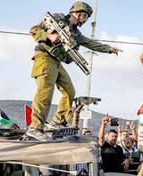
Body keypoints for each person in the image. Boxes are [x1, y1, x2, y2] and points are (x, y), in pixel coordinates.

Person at [27, 1, 122, 141]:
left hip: (56, 61)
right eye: (84, 16)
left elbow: (91, 43)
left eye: (87, 17)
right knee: (45, 92)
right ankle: (35, 127)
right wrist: (49, 36)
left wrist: (108, 49)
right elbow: (34, 29)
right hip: (44, 57)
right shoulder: (57, 19)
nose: (85, 19)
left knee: (69, 91)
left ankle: (57, 122)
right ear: (76, 13)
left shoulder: (76, 34)